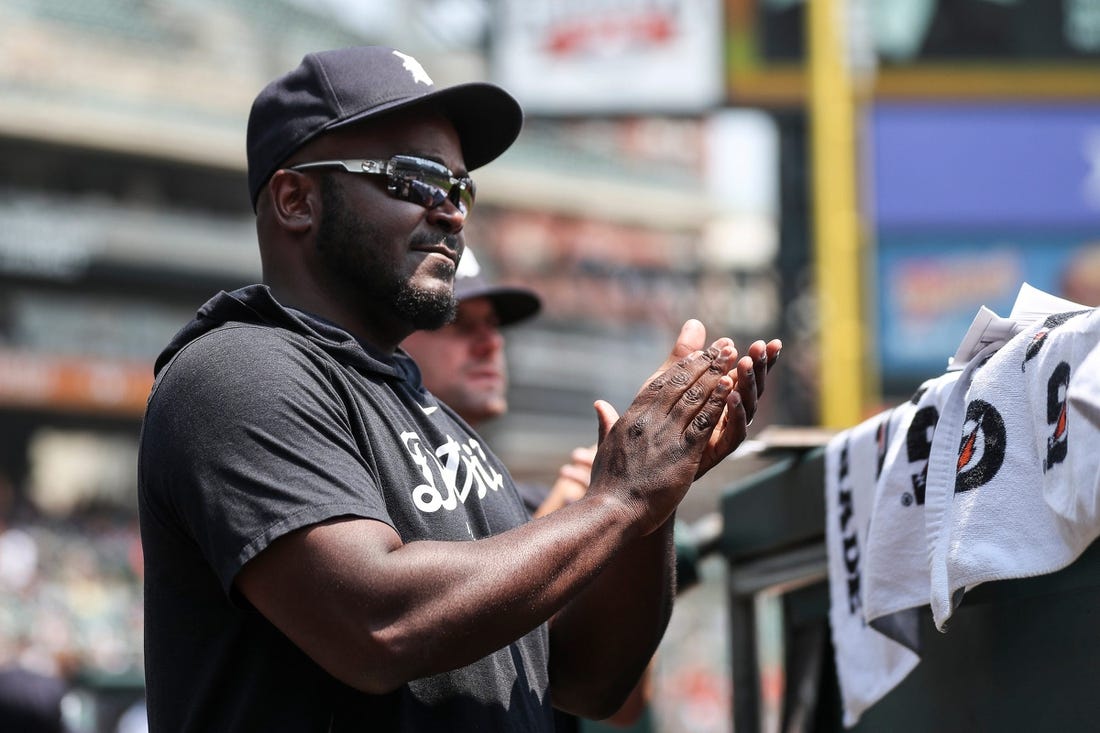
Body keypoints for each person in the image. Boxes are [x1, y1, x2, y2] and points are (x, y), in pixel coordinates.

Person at [137, 45, 782, 732]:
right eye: (412, 179)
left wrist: (660, 494)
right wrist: (619, 500)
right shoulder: (237, 370)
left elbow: (589, 679)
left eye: (459, 187)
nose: (451, 211)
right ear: (297, 199)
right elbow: (380, 620)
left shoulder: (435, 417)